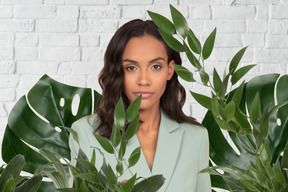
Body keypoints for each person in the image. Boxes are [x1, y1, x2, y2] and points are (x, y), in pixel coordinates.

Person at [69, 19, 211, 192]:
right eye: (131, 68)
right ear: (118, 72)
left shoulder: (195, 137)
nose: (143, 80)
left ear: (170, 70)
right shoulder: (86, 133)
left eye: (156, 66)